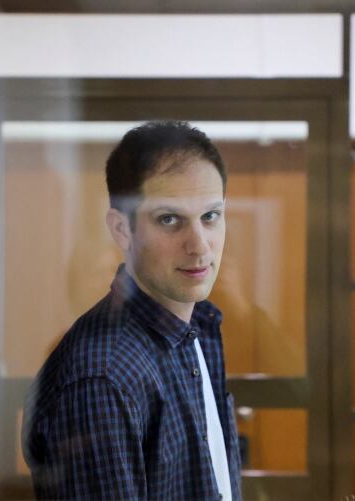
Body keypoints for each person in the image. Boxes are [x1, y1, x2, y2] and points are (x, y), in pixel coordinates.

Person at [22, 121, 242, 500]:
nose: (200, 246)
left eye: (210, 216)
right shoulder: (101, 377)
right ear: (122, 230)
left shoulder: (200, 325)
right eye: (169, 219)